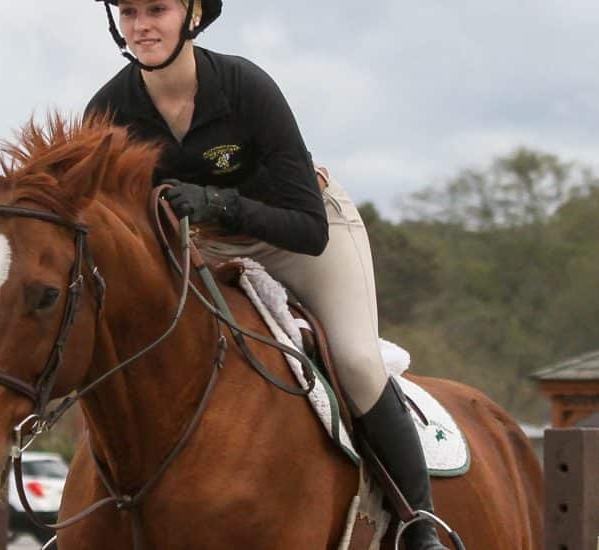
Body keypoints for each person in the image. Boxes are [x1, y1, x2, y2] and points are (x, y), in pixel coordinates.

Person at [83, 1, 448, 548]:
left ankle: (420, 524)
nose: (141, 25)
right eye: (130, 11)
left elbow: (307, 227)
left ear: (194, 14)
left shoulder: (244, 86)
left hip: (298, 236)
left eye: (157, 8)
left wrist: (216, 203)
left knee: (355, 360)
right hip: (200, 249)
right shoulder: (109, 109)